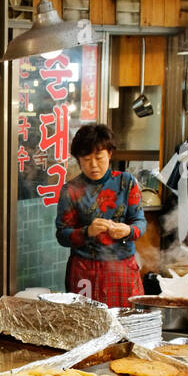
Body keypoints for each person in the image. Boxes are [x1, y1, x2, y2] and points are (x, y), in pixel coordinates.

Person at [55, 124, 147, 307]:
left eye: (99, 157)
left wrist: (128, 230)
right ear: (78, 160)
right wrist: (87, 231)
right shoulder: (71, 190)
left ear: (110, 154)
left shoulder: (126, 182)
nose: (94, 165)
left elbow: (140, 222)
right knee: (84, 325)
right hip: (84, 271)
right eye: (86, 159)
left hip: (121, 269)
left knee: (125, 324)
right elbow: (62, 235)